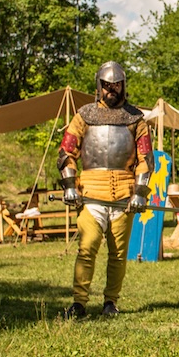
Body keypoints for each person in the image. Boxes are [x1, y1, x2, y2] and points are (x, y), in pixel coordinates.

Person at [57, 61, 153, 319]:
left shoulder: (136, 119)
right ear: (99, 87)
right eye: (108, 85)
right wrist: (70, 186)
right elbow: (66, 151)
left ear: (123, 86)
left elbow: (146, 158)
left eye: (117, 85)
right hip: (91, 193)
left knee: (118, 254)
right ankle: (79, 303)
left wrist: (139, 193)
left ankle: (111, 302)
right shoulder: (83, 116)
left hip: (124, 193)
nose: (112, 89)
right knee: (87, 248)